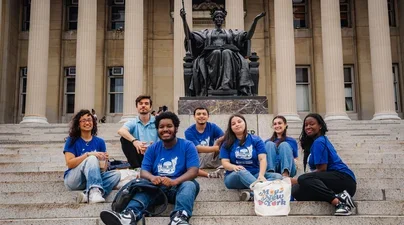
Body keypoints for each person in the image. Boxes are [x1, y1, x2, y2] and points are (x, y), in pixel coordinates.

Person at [100, 112, 200, 225]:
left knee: (190, 184)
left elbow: (193, 171)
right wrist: (153, 178)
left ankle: (179, 218)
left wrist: (174, 181)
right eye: (161, 127)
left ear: (176, 128)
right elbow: (144, 171)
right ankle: (128, 215)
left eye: (169, 126)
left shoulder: (187, 145)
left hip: (179, 187)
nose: (165, 129)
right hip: (157, 188)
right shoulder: (153, 148)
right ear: (157, 130)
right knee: (147, 187)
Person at [180, 8, 266, 96]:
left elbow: (247, 36)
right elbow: (189, 36)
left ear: (223, 19)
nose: (219, 19)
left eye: (221, 17)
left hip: (230, 56)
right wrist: (184, 19)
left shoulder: (230, 33)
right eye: (217, 17)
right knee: (216, 52)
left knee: (227, 52)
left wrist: (255, 21)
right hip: (210, 56)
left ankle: (226, 85)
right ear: (213, 19)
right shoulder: (206, 33)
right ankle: (213, 86)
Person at [291, 113, 357, 216]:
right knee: (297, 191)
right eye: (306, 125)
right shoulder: (315, 143)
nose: (308, 127)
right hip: (332, 182)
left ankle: (340, 203)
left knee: (303, 179)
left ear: (320, 126)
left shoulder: (319, 141)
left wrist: (296, 180)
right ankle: (338, 195)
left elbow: (322, 169)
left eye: (312, 124)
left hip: (344, 179)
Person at [220, 114, 282, 201]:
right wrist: (234, 167)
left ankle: (252, 195)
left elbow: (262, 159)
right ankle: (263, 190)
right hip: (234, 177)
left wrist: (261, 175)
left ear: (245, 123)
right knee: (241, 171)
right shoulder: (227, 143)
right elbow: (225, 163)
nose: (237, 124)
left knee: (278, 177)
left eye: (239, 122)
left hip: (254, 174)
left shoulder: (256, 140)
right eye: (233, 124)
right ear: (231, 128)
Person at [63, 109, 120, 203]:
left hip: (92, 177)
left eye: (89, 120)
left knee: (116, 175)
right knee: (92, 158)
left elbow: (103, 169)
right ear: (78, 124)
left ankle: (87, 194)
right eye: (83, 120)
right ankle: (94, 193)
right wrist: (88, 155)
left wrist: (104, 160)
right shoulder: (71, 140)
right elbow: (70, 164)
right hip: (74, 179)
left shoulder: (100, 142)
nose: (87, 123)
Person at [118, 95, 158, 169]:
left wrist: (152, 147)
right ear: (137, 107)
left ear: (150, 107)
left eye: (146, 103)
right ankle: (137, 168)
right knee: (124, 139)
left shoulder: (157, 122)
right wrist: (135, 141)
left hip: (155, 154)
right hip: (140, 154)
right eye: (140, 103)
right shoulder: (133, 122)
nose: (143, 105)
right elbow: (121, 130)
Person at [185, 107, 224, 178]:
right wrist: (216, 148)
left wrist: (219, 142)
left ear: (208, 117)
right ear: (194, 117)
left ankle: (223, 167)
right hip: (198, 157)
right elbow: (197, 148)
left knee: (227, 149)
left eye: (204, 114)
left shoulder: (212, 127)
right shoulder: (189, 131)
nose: (201, 116)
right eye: (198, 114)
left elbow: (224, 137)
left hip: (211, 156)